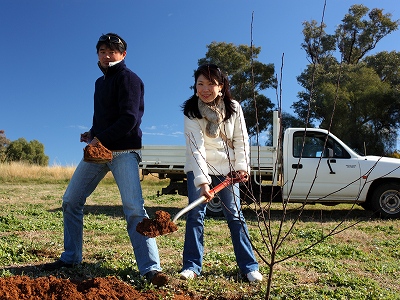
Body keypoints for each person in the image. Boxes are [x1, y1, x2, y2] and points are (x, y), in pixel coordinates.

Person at [42, 33, 167, 286]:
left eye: (112, 51)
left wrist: (101, 140)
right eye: (102, 51)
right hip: (98, 152)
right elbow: (104, 117)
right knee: (71, 200)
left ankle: (151, 269)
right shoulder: (100, 83)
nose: (107, 55)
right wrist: (92, 133)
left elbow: (130, 118)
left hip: (123, 152)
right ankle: (71, 257)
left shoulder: (130, 79)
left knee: (133, 208)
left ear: (123, 54)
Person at [179, 64, 263, 282]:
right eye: (200, 84)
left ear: (221, 85)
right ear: (195, 86)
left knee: (234, 214)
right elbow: (195, 148)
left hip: (228, 169)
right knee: (195, 216)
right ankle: (191, 266)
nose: (205, 89)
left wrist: (242, 167)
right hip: (200, 167)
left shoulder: (233, 107)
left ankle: (249, 267)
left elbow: (241, 139)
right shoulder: (191, 111)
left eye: (211, 84)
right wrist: (202, 182)